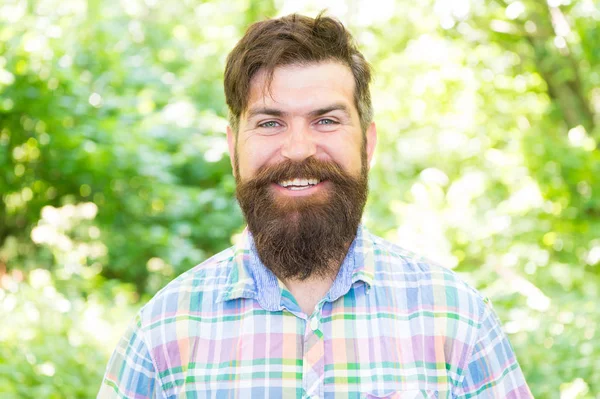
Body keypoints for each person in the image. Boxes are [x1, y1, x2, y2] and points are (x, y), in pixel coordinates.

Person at [98, 13, 532, 399]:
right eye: (270, 123)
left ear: (368, 143)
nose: (298, 149)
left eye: (326, 120)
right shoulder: (162, 334)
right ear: (233, 149)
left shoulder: (458, 320)